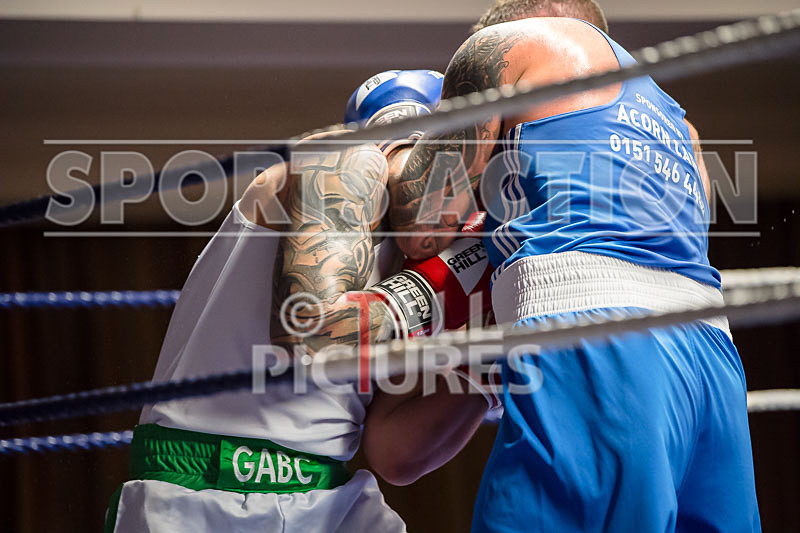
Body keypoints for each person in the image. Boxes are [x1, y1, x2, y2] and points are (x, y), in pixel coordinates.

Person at [381, 1, 761, 531]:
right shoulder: (679, 124)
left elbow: (423, 224)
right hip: (712, 365)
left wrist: (394, 144)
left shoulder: (513, 46)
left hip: (597, 343)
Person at [104, 69, 494, 533]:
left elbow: (396, 454)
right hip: (209, 484)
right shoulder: (343, 161)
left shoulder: (441, 257)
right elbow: (307, 333)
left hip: (328, 491)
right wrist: (439, 286)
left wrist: (490, 351)